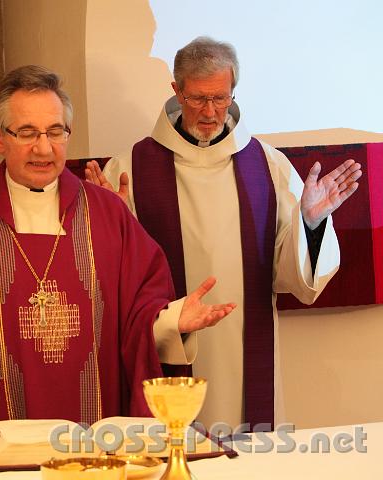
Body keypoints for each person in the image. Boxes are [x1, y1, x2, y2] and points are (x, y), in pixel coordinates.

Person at [0, 65, 236, 452]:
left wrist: (175, 320)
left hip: (96, 446)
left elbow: (139, 319)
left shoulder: (110, 217)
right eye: (27, 133)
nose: (44, 148)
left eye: (55, 132)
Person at [85, 36, 362, 432]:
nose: (211, 112)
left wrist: (312, 223)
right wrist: (109, 217)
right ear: (176, 90)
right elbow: (113, 280)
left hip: (245, 348)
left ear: (233, 92)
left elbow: (294, 277)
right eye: (198, 98)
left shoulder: (268, 166)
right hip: (168, 346)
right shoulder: (131, 166)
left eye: (221, 98)